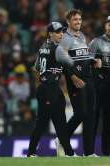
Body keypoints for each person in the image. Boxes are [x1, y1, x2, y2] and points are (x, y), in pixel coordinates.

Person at [55, 9, 101, 156]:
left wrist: (93, 61)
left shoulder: (81, 36)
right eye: (75, 20)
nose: (78, 22)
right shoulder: (65, 38)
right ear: (68, 21)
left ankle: (88, 153)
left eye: (80, 20)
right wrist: (73, 77)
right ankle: (62, 138)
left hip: (88, 79)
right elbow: (61, 59)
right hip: (75, 80)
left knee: (90, 116)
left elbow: (83, 56)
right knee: (80, 113)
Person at [27, 21, 75, 157]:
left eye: (62, 32)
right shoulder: (57, 48)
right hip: (49, 88)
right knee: (46, 123)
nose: (61, 34)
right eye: (58, 32)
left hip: (50, 87)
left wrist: (42, 81)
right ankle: (31, 152)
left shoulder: (44, 46)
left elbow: (35, 68)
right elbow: (71, 63)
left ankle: (69, 153)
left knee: (58, 123)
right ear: (50, 34)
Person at [89, 15, 110, 156]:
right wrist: (94, 62)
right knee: (94, 119)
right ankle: (89, 151)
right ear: (105, 26)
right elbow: (86, 59)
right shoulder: (96, 41)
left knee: (109, 121)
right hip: (97, 86)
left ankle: (106, 153)